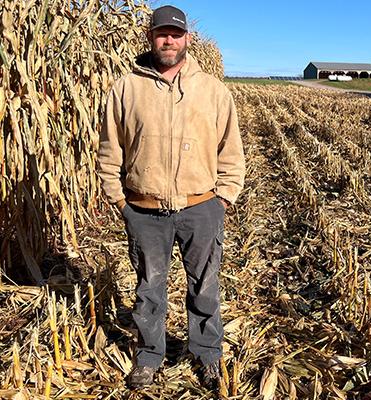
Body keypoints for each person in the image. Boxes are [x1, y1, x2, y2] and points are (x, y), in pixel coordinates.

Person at [97, 4, 245, 390]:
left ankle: (207, 354)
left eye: (175, 34)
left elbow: (231, 149)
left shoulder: (211, 90)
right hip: (144, 211)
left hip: (201, 207)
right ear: (150, 37)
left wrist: (223, 198)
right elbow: (110, 149)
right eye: (162, 33)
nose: (169, 40)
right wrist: (119, 200)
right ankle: (149, 356)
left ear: (186, 39)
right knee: (149, 288)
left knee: (205, 286)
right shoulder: (126, 88)